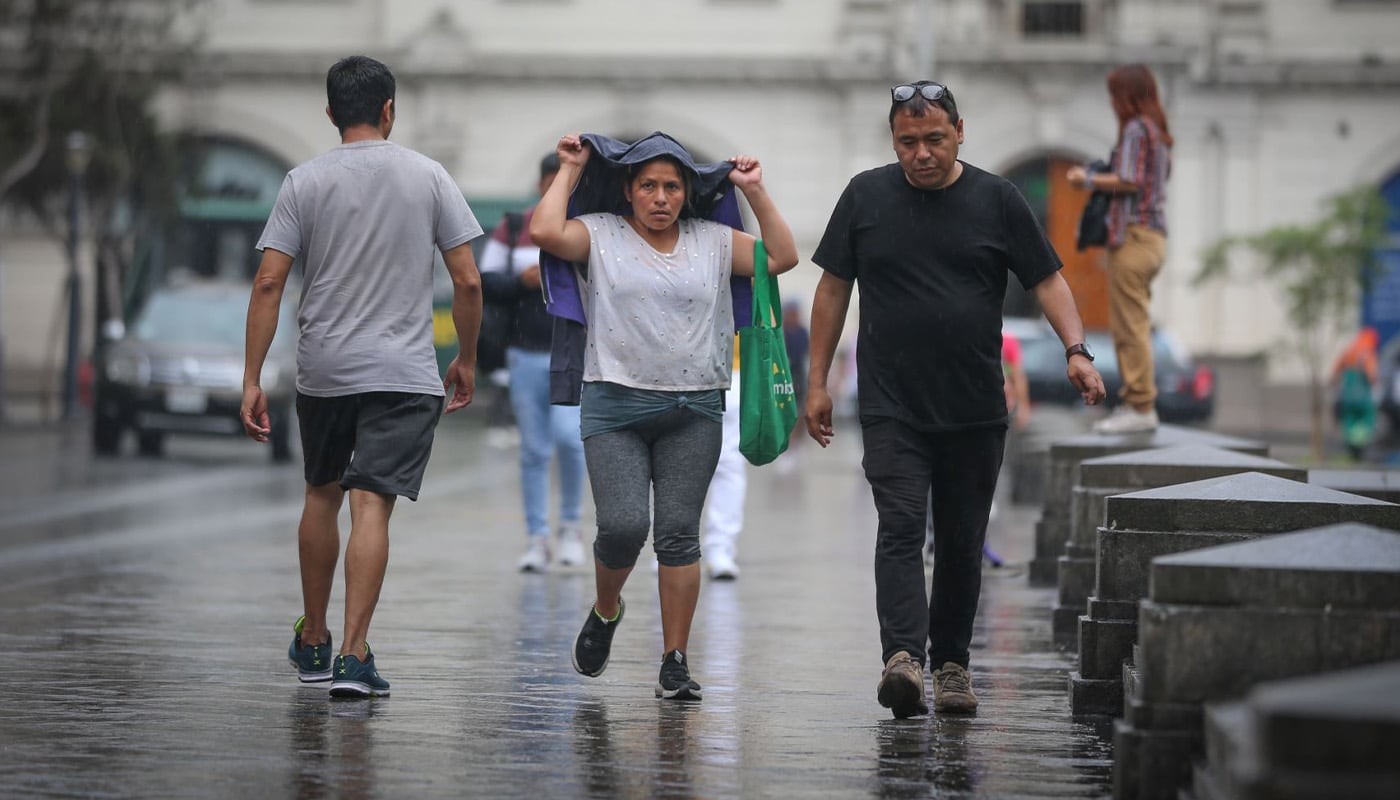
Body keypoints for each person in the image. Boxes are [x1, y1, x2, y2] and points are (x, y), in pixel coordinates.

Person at [805, 81, 1105, 719]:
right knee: (902, 526)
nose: (921, 153)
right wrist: (818, 381)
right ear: (894, 141)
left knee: (963, 542)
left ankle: (951, 666)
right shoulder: (865, 194)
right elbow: (832, 289)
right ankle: (903, 660)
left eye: (934, 139)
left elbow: (1047, 279)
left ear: (960, 132)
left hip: (974, 407)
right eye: (907, 141)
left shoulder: (998, 199)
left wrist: (1077, 350)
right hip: (890, 403)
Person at [241, 55, 483, 699]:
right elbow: (467, 278)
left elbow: (269, 280)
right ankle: (353, 656)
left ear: (329, 114)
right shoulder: (429, 176)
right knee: (370, 503)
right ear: (389, 111)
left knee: (322, 493)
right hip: (403, 371)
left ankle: (314, 640)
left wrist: (251, 377)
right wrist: (467, 357)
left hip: (324, 368)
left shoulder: (302, 181)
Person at [530, 132, 798, 701]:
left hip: (693, 406)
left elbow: (781, 257)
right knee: (623, 526)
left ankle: (674, 660)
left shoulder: (715, 241)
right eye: (648, 185)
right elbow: (545, 231)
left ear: (687, 193)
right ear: (628, 191)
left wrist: (755, 190)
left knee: (679, 536)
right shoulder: (600, 233)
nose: (659, 197)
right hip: (614, 405)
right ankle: (606, 611)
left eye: (671, 187)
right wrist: (571, 168)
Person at [480, 153, 589, 572]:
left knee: (570, 441)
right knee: (533, 449)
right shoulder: (513, 228)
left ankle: (570, 529)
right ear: (542, 183)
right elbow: (485, 280)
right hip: (524, 352)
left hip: (571, 353)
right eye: (550, 181)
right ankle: (537, 537)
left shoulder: (583, 228)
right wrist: (520, 282)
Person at [1068, 63, 1173, 435]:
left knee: (1130, 326)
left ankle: (1140, 406)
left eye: (1115, 94)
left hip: (1134, 236)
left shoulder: (1135, 129)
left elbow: (1129, 180)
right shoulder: (1158, 133)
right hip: (1153, 238)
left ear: (1127, 95)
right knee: (1136, 323)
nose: (1112, 103)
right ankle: (1138, 404)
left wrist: (1087, 179)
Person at [702, 338, 745, 580]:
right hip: (677, 369)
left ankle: (721, 548)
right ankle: (720, 548)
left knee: (728, 463)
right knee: (675, 459)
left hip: (732, 368)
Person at [1331, 326, 1380, 461]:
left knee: (1349, 422)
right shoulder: (1367, 353)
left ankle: (1351, 450)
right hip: (1363, 398)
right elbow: (1372, 376)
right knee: (1366, 422)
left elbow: (1335, 372)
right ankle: (1360, 452)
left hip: (1348, 396)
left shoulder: (1349, 350)